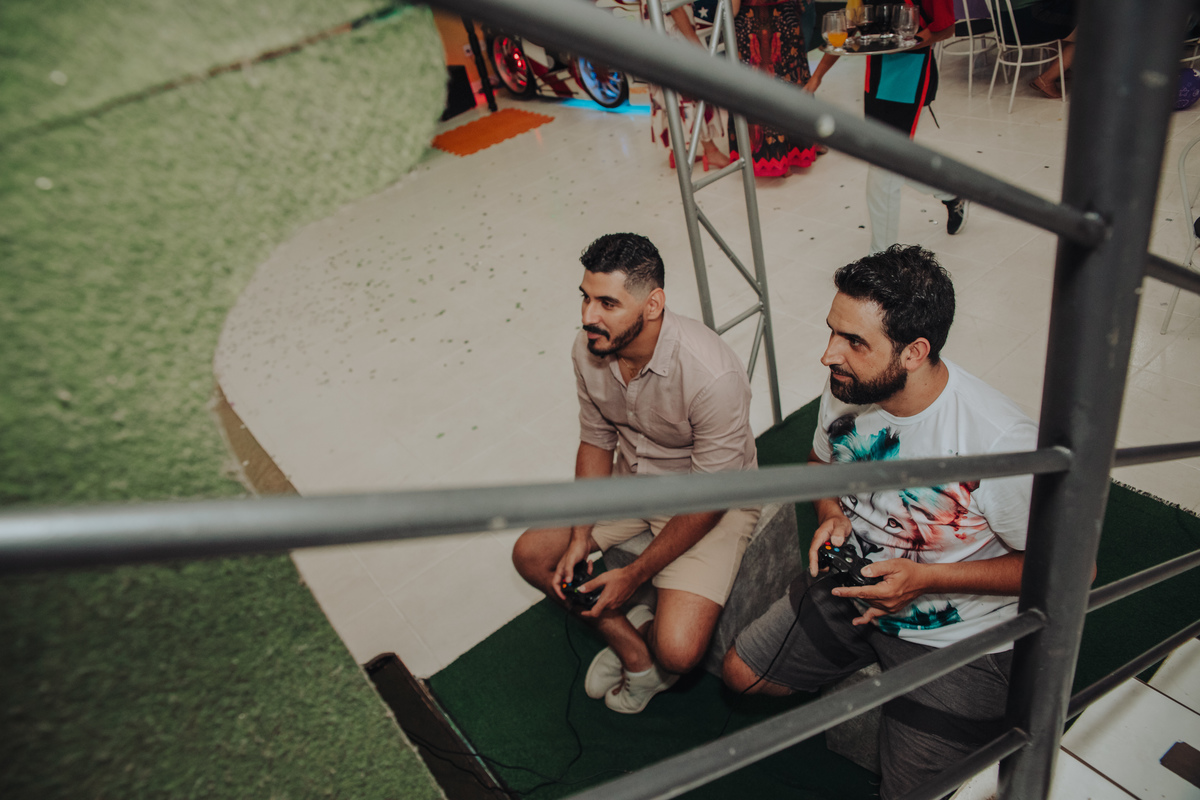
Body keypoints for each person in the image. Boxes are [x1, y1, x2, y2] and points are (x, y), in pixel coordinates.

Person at [722, 244, 1037, 799]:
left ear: (914, 352)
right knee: (742, 675)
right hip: (853, 585)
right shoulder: (850, 387)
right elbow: (821, 465)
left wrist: (929, 579)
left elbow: (1069, 571)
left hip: (957, 635)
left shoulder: (1001, 444)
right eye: (831, 332)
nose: (827, 356)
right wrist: (831, 512)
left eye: (852, 342)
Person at [512, 232, 761, 715]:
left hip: (710, 499)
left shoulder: (713, 376)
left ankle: (650, 633)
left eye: (607, 302)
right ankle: (635, 655)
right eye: (585, 298)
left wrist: (634, 573)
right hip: (631, 482)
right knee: (532, 555)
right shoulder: (589, 349)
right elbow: (596, 441)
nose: (588, 316)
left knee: (681, 651)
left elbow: (710, 499)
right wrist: (582, 533)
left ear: (653, 304)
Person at [807, 0, 968, 252]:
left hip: (910, 75)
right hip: (877, 75)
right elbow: (846, 29)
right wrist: (817, 76)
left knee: (883, 174)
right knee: (892, 164)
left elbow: (946, 29)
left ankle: (881, 260)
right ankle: (950, 192)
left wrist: (906, 43)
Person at [729, 0, 821, 177]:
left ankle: (783, 153)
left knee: (774, 83)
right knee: (782, 81)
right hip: (772, 17)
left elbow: (732, 9)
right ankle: (784, 153)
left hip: (768, 18)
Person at [642, 0, 737, 170]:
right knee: (690, 92)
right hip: (674, 35)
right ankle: (711, 150)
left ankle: (677, 151)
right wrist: (696, 44)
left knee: (668, 93)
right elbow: (676, 8)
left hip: (654, 33)